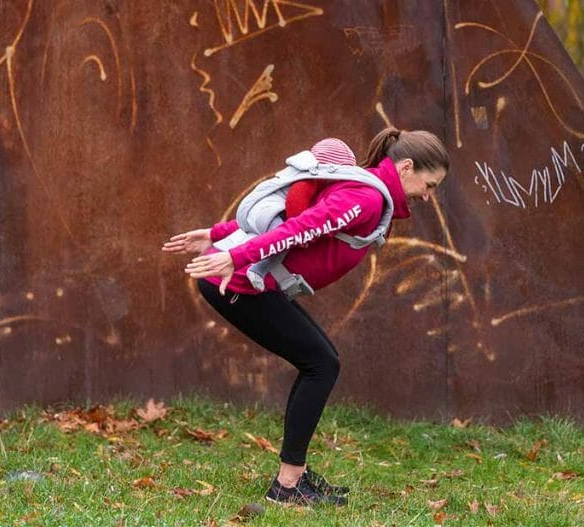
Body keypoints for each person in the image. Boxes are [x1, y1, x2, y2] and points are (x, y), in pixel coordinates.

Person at [162, 128, 449, 506]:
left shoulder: (364, 190)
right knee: (321, 364)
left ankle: (292, 478)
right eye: (429, 185)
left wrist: (218, 234)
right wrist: (233, 254)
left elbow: (291, 216)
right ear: (407, 166)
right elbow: (299, 229)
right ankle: (287, 484)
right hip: (238, 284)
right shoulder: (366, 198)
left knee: (320, 361)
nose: (428, 196)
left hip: (245, 279)